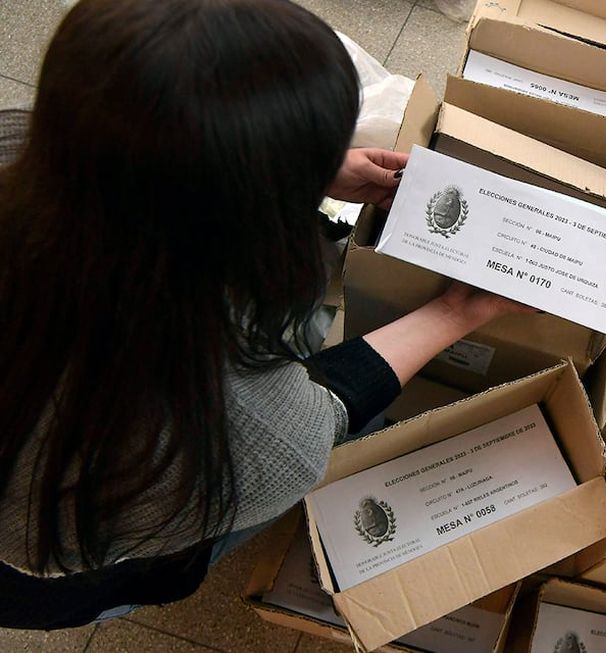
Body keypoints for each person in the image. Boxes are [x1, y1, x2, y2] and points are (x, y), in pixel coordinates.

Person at [0, 0, 528, 629]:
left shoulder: (29, 142)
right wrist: (455, 310)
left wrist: (291, 168)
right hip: (43, 565)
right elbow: (321, 414)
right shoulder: (235, 435)